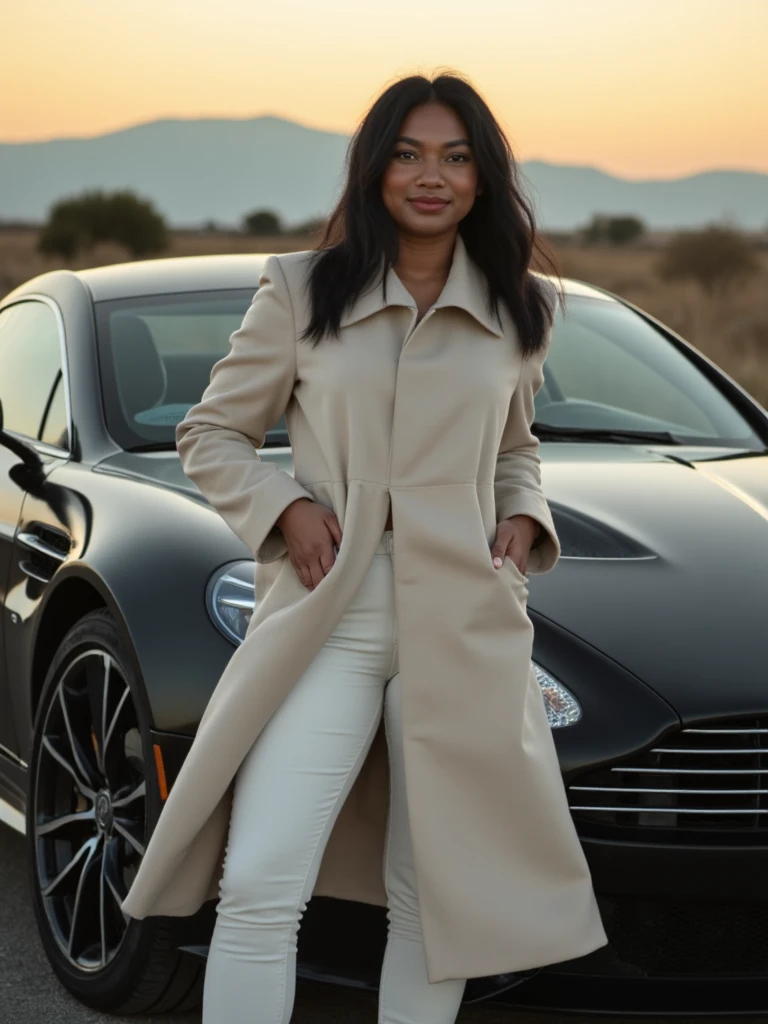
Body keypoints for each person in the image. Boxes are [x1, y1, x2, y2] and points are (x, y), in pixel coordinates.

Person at [121, 69, 608, 1024]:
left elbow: (515, 447)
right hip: (330, 616)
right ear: (375, 167)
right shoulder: (300, 290)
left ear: (482, 177)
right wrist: (283, 509)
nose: (432, 176)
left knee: (438, 901)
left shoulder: (522, 308)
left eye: (456, 158)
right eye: (409, 154)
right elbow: (210, 433)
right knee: (260, 881)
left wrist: (522, 518)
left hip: (465, 622)